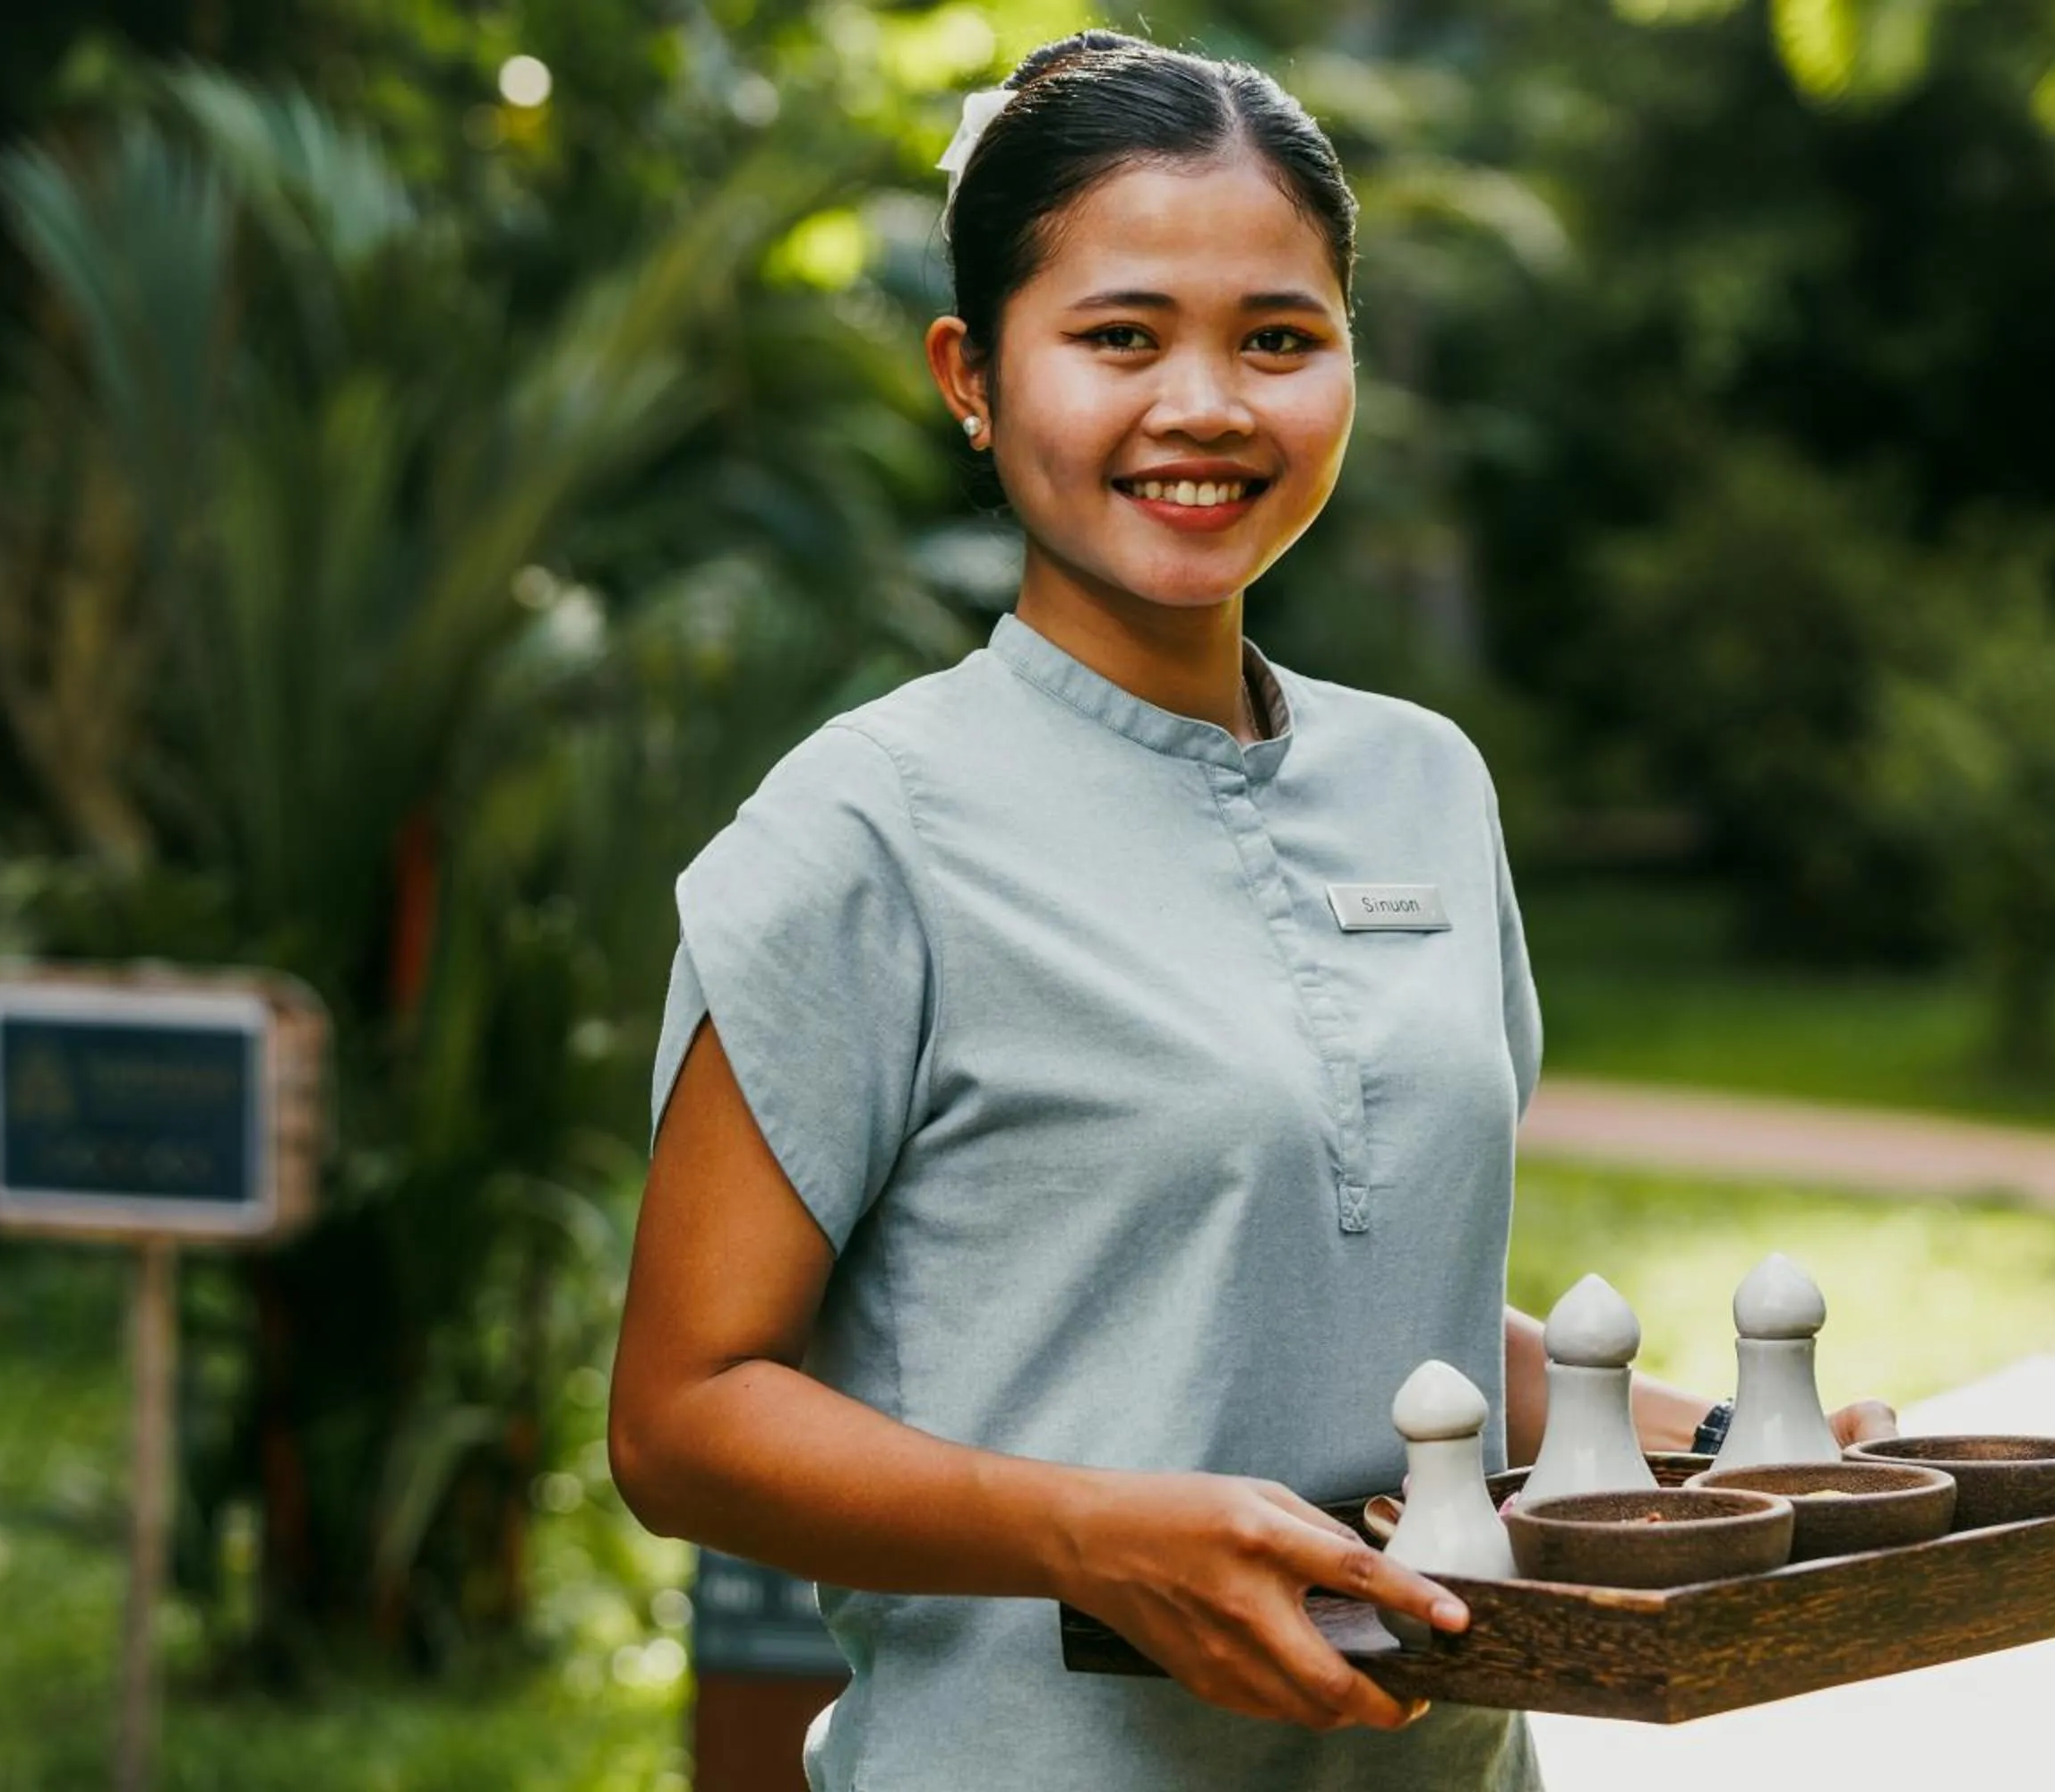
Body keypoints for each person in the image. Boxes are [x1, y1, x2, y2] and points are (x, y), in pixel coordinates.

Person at [607, 30, 1896, 1790]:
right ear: (971, 375)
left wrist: (1736, 1438)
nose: (1208, 405)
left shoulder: (1429, 784)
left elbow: (1377, 1286)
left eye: (1278, 339)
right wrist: (1088, 1533)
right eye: (1121, 336)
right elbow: (683, 1420)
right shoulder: (860, 832)